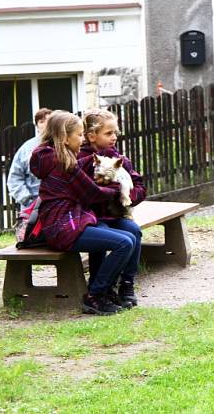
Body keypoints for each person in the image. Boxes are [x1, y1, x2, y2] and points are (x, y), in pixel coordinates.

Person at [29, 110, 135, 315]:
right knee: (124, 242)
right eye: (78, 135)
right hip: (64, 227)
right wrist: (116, 188)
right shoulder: (63, 163)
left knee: (127, 236)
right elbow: (92, 193)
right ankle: (95, 295)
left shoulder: (53, 157)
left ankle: (103, 291)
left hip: (64, 223)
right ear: (64, 137)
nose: (82, 138)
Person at [79, 109, 147, 308]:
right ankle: (101, 288)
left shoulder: (119, 159)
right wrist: (110, 189)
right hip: (91, 217)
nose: (114, 137)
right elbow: (86, 193)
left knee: (134, 231)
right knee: (107, 237)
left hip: (115, 213)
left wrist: (127, 198)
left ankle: (127, 283)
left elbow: (140, 186)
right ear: (92, 136)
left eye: (115, 132)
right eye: (108, 133)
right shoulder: (82, 160)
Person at [7, 108, 52, 208]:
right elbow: (14, 179)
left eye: (49, 121)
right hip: (33, 207)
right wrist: (28, 201)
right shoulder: (26, 149)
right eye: (41, 121)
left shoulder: (63, 145)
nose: (45, 124)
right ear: (37, 126)